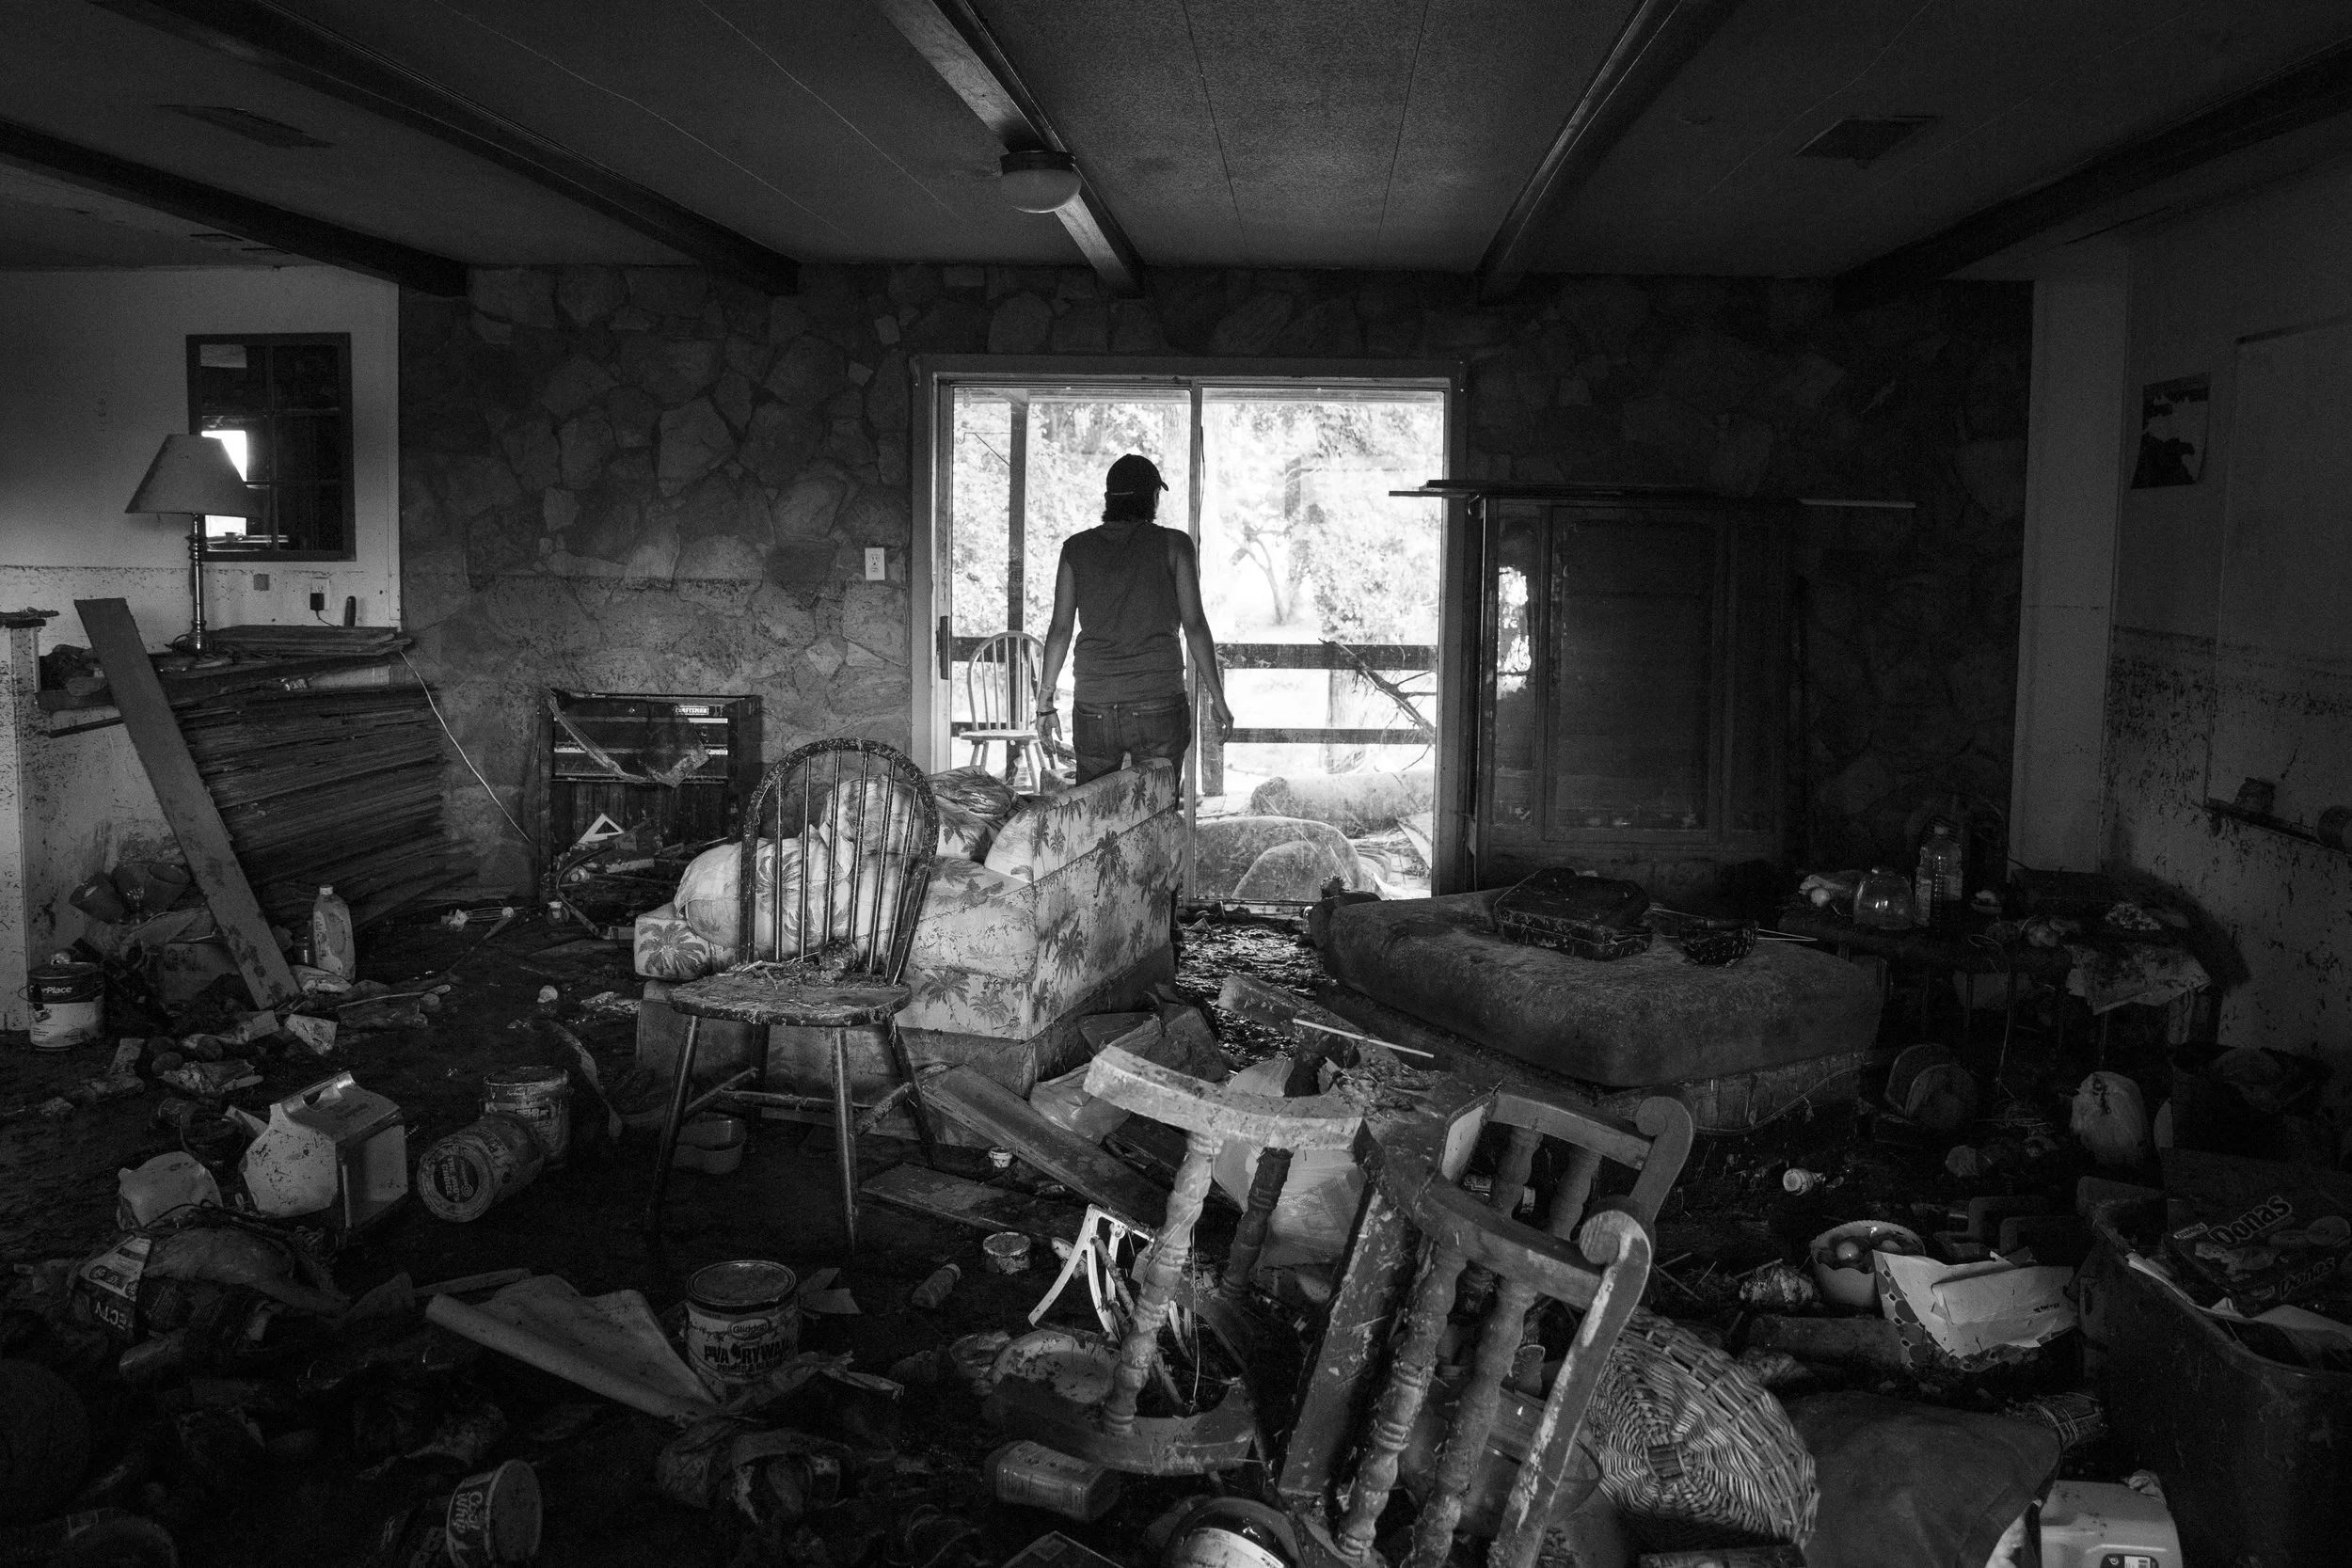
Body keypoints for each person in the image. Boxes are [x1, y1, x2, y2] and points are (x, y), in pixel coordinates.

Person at [1036, 453, 1233, 785]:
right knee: (1154, 817)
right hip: (1158, 701)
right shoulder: (1175, 545)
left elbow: (1059, 630)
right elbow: (1195, 625)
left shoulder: (1076, 549)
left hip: (1094, 705)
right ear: (1153, 497)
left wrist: (1045, 703)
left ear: (1108, 500)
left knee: (1096, 818)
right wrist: (1218, 697)